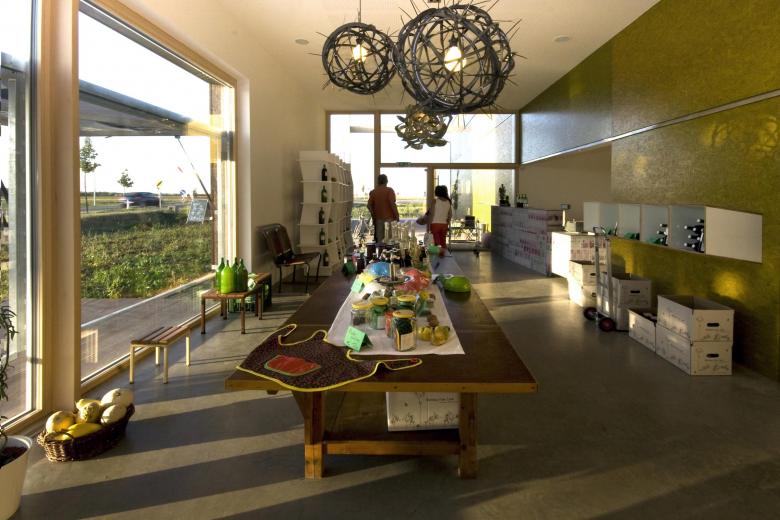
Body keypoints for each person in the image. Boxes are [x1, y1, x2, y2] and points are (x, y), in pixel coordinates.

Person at [367, 174, 399, 244]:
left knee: (380, 242)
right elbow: (392, 203)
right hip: (389, 219)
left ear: (378, 181)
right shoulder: (389, 190)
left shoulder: (374, 192)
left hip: (378, 220)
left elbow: (369, 205)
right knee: (390, 241)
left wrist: (373, 215)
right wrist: (397, 215)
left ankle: (380, 251)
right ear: (386, 181)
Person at [429, 185, 452, 256]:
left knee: (436, 243)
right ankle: (443, 257)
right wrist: (447, 223)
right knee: (443, 242)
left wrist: (428, 225)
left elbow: (431, 214)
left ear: (437, 192)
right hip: (444, 225)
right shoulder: (448, 202)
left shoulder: (435, 201)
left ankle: (437, 259)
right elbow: (450, 215)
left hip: (435, 224)